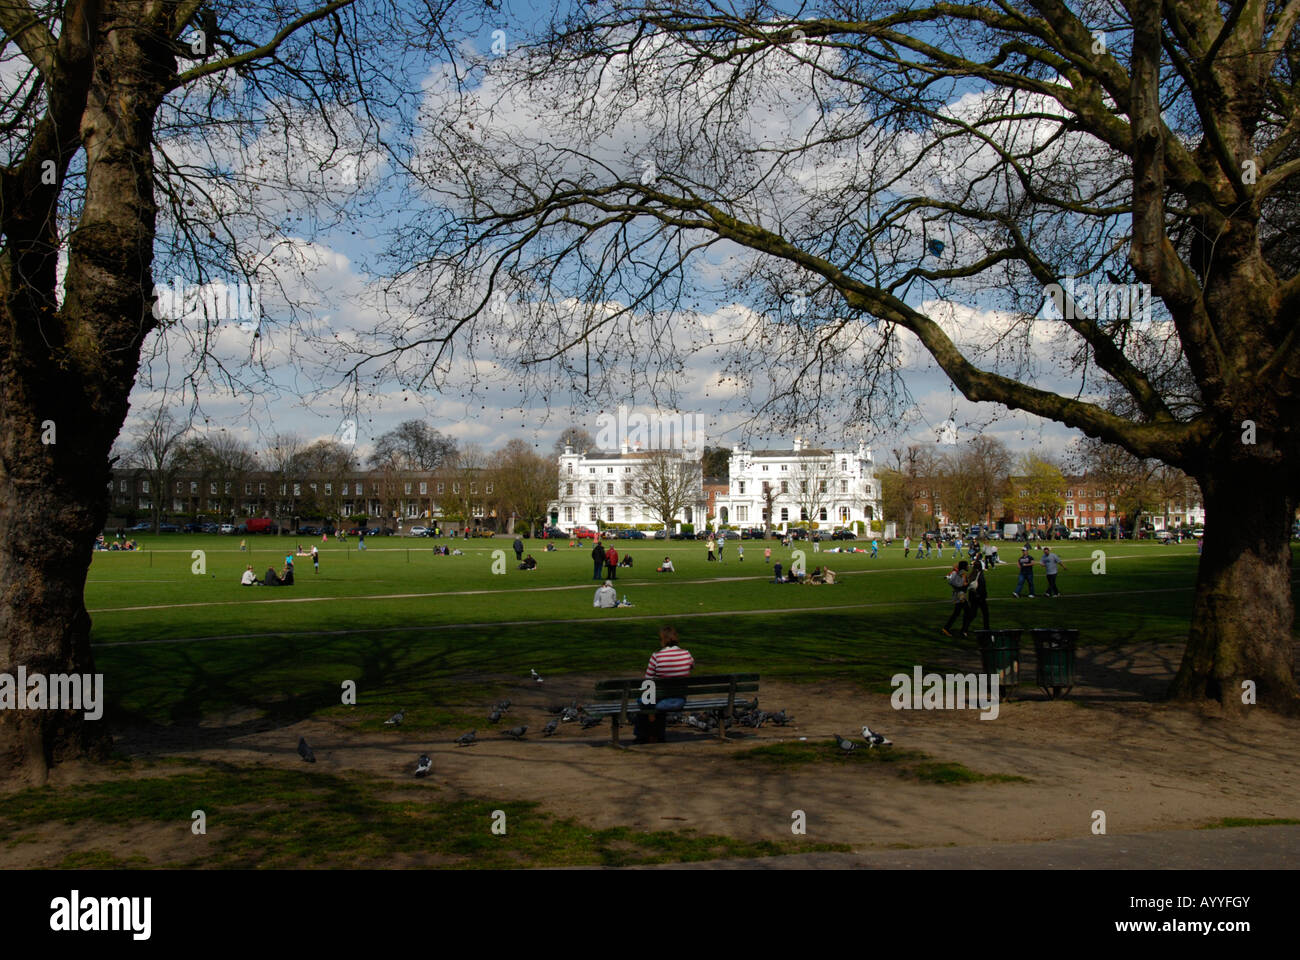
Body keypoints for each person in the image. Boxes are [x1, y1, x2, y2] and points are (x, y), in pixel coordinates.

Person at [635, 625, 694, 744]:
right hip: (679, 699)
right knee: (656, 700)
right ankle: (657, 734)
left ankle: (643, 735)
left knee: (645, 701)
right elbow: (690, 667)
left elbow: (648, 681)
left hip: (662, 699)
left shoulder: (656, 656)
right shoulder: (686, 654)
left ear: (662, 640)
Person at [961, 558, 990, 637]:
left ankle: (964, 629)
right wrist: (984, 595)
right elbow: (982, 586)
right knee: (985, 614)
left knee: (973, 614)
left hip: (972, 596)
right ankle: (986, 629)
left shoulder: (972, 574)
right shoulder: (980, 575)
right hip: (979, 597)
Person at [941, 561, 969, 637]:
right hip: (960, 595)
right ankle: (963, 631)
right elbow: (961, 584)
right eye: (967, 565)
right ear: (964, 566)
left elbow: (951, 582)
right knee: (967, 612)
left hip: (957, 594)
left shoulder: (957, 573)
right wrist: (968, 584)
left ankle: (947, 628)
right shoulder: (962, 573)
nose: (968, 566)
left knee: (957, 613)